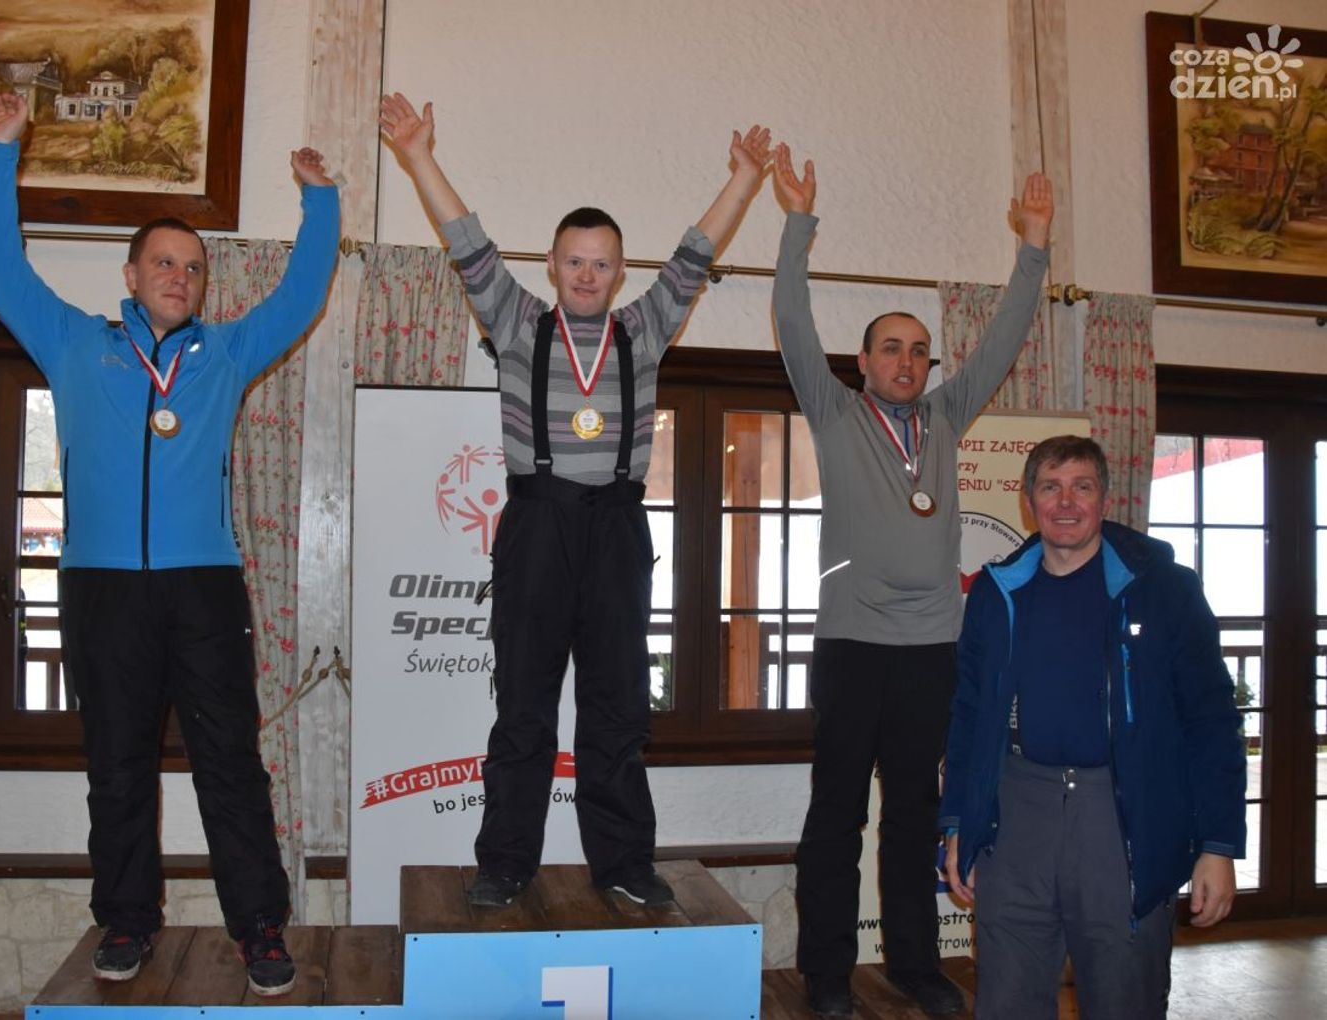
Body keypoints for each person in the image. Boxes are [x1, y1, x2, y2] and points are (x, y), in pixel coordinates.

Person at [0, 93, 341, 995]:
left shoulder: (227, 354)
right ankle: (128, 920)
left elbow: (301, 292)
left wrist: (320, 202)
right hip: (102, 586)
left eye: (194, 267)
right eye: (164, 262)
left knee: (230, 765)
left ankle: (259, 927)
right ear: (131, 274)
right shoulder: (72, 342)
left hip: (203, 586)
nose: (180, 275)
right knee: (118, 766)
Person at [379, 93, 770, 909]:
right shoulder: (517, 323)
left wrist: (742, 179)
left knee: (617, 709)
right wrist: (418, 157)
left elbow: (694, 256)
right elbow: (468, 244)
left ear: (619, 272)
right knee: (524, 709)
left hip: (617, 529)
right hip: (537, 525)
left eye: (602, 263)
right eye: (574, 262)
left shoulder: (644, 329)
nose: (588, 275)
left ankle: (623, 860)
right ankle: (505, 862)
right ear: (553, 267)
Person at [771, 144, 1054, 1017]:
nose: (907, 361)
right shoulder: (833, 411)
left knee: (913, 816)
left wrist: (1035, 246)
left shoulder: (945, 415)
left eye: (920, 352)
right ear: (862, 362)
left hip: (932, 648)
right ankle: (826, 974)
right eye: (891, 348)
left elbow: (1003, 337)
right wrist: (797, 225)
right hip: (852, 646)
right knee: (836, 816)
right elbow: (790, 319)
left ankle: (915, 966)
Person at [940, 436, 1245, 1019]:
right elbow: (969, 714)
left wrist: (1217, 844)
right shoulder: (996, 593)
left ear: (1105, 499)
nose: (1066, 502)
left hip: (1122, 815)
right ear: (1029, 500)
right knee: (1006, 1000)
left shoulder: (1164, 589)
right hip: (1017, 816)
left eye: (1082, 487)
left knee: (1124, 996)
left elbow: (1211, 719)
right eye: (1050, 487)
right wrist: (959, 821)